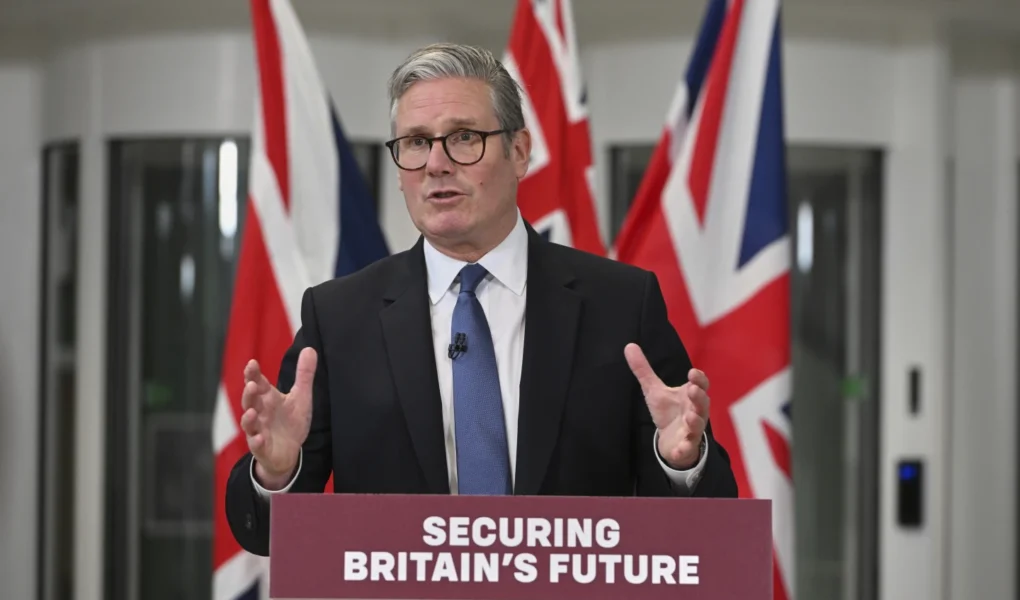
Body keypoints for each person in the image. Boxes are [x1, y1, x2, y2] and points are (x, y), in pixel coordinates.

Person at [225, 42, 738, 556]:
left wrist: (681, 464)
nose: (437, 164)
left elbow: (710, 525)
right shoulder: (339, 318)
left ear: (520, 151)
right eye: (416, 142)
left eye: (464, 137)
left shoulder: (622, 304)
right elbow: (264, 535)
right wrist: (278, 474)